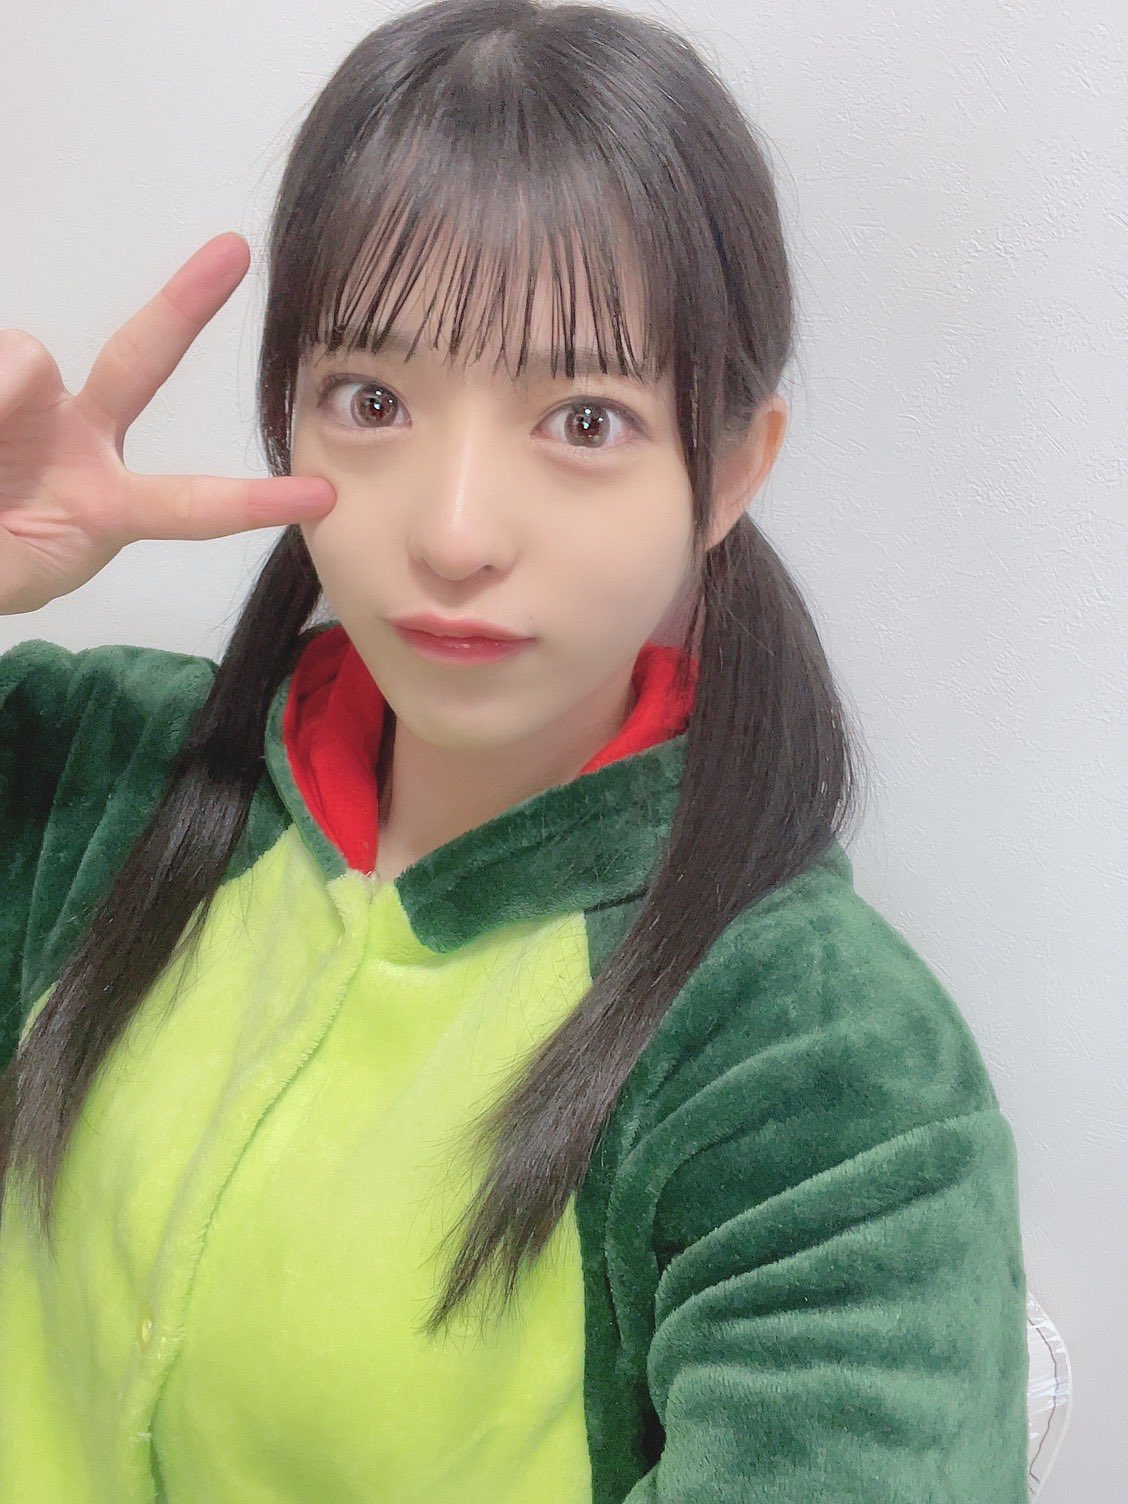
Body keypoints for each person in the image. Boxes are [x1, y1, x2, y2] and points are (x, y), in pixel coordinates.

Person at [0, 0, 1031, 1498]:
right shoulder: (84, 781)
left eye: (585, 420)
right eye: (372, 401)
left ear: (730, 469)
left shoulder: (817, 1070)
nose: (455, 532)